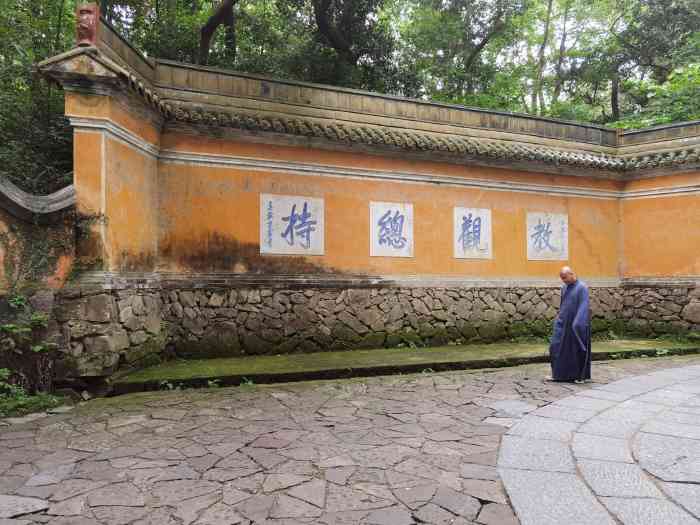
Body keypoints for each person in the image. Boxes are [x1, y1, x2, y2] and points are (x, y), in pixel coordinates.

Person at [546, 266, 591, 383]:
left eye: (565, 278)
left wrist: (578, 323)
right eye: (562, 278)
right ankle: (558, 375)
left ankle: (579, 376)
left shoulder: (582, 288)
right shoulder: (564, 288)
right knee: (555, 347)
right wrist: (558, 319)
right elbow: (563, 305)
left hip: (576, 325)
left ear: (571, 274)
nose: (564, 280)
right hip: (563, 324)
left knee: (575, 350)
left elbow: (583, 306)